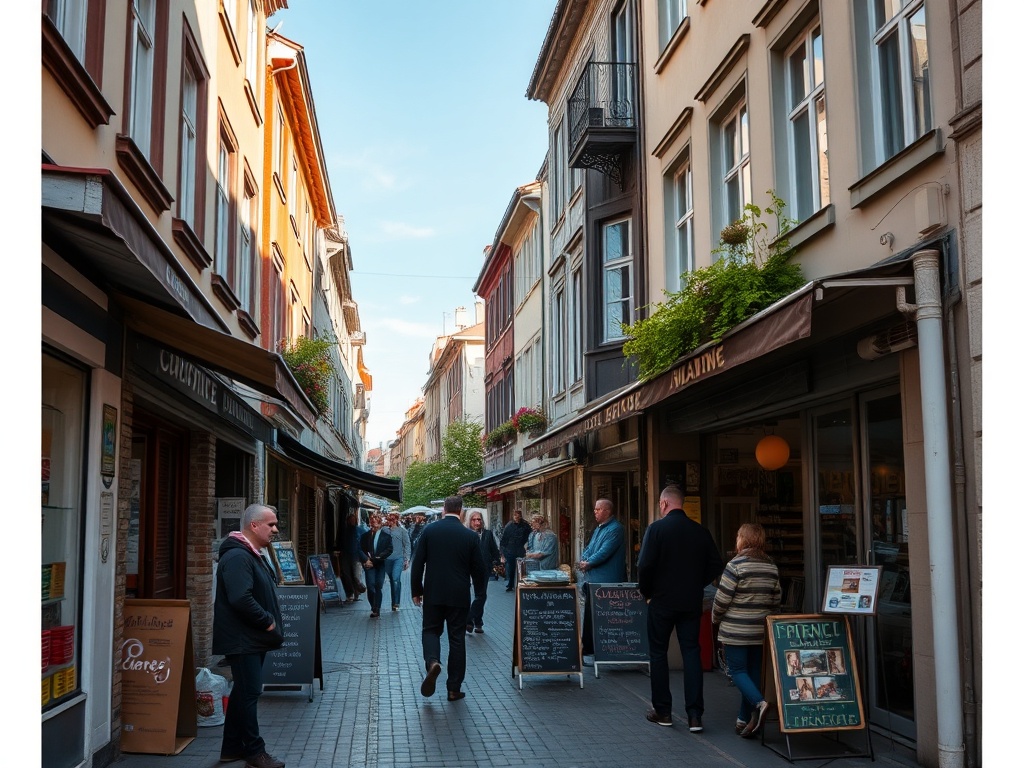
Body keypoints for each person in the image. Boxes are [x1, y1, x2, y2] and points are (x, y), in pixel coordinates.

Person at [638, 485, 724, 733]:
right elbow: (715, 564)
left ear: (664, 503)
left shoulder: (656, 530)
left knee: (658, 653)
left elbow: (644, 566)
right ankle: (695, 715)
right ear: (682, 503)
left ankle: (663, 711)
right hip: (690, 602)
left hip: (661, 601)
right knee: (691, 653)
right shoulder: (700, 531)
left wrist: (648, 593)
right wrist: (696, 582)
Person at [213, 504, 286, 768]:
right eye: (271, 525)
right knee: (249, 692)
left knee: (243, 692)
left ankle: (231, 748)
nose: (275, 530)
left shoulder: (250, 553)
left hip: (250, 638)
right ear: (254, 525)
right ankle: (255, 753)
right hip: (244, 639)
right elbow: (240, 597)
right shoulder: (237, 556)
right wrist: (267, 622)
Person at [410, 496, 488, 702]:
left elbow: (418, 563)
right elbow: (479, 570)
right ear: (461, 511)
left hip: (433, 593)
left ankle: (433, 662)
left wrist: (416, 590)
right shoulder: (470, 536)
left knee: (430, 630)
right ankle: (454, 688)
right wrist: (480, 593)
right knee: (456, 639)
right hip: (459, 595)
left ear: (444, 509)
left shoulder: (429, 531)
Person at [711, 522, 781, 737]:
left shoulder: (735, 566)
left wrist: (715, 618)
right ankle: (743, 720)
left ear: (743, 539)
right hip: (760, 630)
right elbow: (776, 598)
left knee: (737, 671)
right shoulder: (771, 566)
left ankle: (760, 704)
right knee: (751, 674)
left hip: (736, 629)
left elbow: (722, 600)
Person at [578, 498, 627, 664]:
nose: (595, 512)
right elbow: (590, 548)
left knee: (607, 619)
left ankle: (609, 650)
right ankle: (589, 649)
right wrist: (585, 559)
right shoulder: (599, 529)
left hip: (607, 583)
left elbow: (605, 552)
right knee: (591, 617)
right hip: (593, 581)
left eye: (598, 509)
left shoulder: (616, 529)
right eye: (595, 509)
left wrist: (589, 563)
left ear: (607, 511)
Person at [466, 509, 500, 633]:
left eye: (479, 519)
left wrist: (497, 562)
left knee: (481, 596)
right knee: (475, 596)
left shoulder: (487, 534)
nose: (477, 522)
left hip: (484, 568)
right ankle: (476, 622)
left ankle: (472, 620)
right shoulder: (466, 534)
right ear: (470, 521)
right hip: (468, 568)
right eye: (474, 519)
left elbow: (493, 549)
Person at [359, 514, 393, 618]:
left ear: (380, 524)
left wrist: (378, 558)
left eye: (375, 523)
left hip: (379, 564)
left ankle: (377, 608)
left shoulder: (386, 537)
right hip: (369, 564)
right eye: (372, 523)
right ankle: (373, 605)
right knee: (370, 586)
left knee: (378, 585)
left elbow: (389, 549)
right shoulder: (364, 536)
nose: (373, 525)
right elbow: (360, 549)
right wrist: (365, 560)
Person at [384, 512, 412, 611]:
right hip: (387, 559)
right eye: (388, 519)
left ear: (396, 520)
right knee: (392, 580)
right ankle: (393, 602)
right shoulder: (384, 531)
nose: (390, 521)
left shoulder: (402, 531)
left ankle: (396, 603)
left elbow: (407, 545)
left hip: (398, 559)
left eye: (392, 519)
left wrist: (406, 559)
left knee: (396, 579)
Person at [499, 507, 531, 591]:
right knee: (511, 567)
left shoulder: (525, 525)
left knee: (522, 567)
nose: (517, 517)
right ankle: (511, 584)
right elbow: (504, 539)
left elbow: (530, 536)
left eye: (518, 515)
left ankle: (521, 584)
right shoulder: (509, 525)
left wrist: (528, 546)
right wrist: (502, 552)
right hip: (510, 550)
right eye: (515, 516)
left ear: (520, 516)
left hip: (520, 549)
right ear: (513, 516)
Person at [341, 512, 367, 603]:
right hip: (345, 555)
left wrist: (364, 556)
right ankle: (350, 594)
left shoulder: (360, 530)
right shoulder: (344, 531)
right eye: (350, 520)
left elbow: (365, 543)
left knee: (356, 576)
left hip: (357, 556)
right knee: (346, 575)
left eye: (353, 520)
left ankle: (357, 592)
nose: (351, 522)